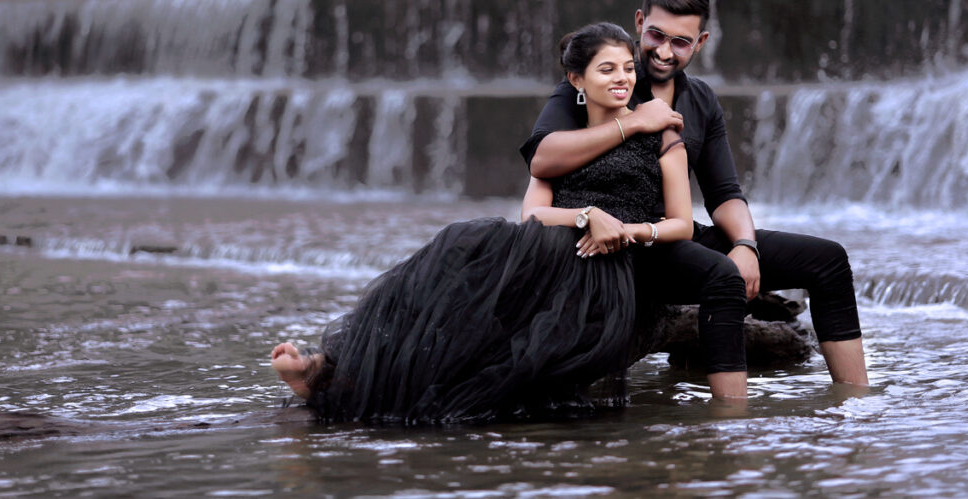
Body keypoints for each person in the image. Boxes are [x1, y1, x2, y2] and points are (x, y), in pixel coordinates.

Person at [271, 22, 694, 424]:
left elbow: (683, 223)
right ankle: (331, 366)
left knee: (480, 284)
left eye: (626, 68)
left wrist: (627, 229)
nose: (621, 78)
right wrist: (587, 214)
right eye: (606, 69)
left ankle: (338, 375)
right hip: (553, 248)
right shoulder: (560, 142)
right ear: (577, 81)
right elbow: (533, 213)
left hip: (605, 267)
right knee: (456, 255)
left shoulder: (660, 137)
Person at [520, 0, 868, 399]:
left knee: (827, 261)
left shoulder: (701, 100)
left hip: (670, 234)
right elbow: (542, 158)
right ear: (639, 23)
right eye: (655, 35)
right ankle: (727, 419)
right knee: (718, 276)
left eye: (681, 42)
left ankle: (853, 404)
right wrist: (634, 121)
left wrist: (745, 244)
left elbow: (723, 192)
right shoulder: (606, 76)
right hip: (608, 245)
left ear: (700, 43)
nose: (664, 52)